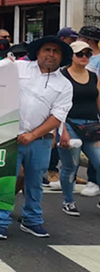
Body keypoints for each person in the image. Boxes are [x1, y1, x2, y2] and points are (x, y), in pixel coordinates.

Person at [0, 36, 73, 240]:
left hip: (41, 140)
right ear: (38, 52)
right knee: (7, 181)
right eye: (47, 50)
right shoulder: (18, 68)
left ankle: (32, 220)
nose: (51, 54)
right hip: (11, 135)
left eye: (56, 51)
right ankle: (0, 221)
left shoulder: (65, 85)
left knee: (35, 183)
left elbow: (58, 116)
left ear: (61, 57)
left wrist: (33, 135)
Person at [55, 40, 100, 217]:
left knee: (99, 161)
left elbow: (98, 101)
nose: (84, 57)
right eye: (80, 54)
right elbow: (57, 104)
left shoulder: (94, 76)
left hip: (92, 125)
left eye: (87, 54)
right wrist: (62, 130)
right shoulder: (62, 75)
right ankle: (68, 200)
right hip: (69, 123)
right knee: (70, 165)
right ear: (71, 56)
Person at [77, 26, 100, 197]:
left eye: (81, 38)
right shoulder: (77, 57)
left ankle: (93, 180)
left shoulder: (97, 61)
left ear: (89, 41)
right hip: (79, 108)